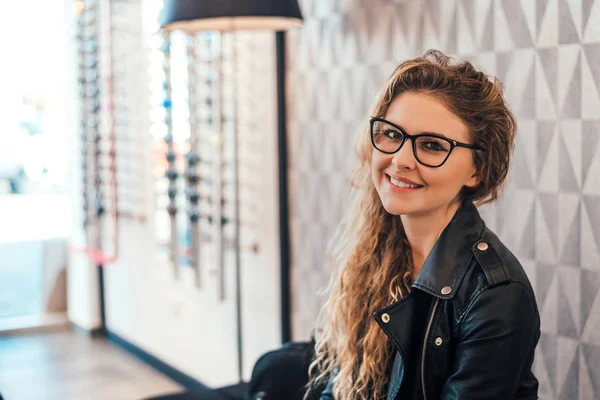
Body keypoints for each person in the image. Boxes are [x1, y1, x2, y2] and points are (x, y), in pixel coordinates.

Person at [305, 50, 541, 400]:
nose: (400, 160)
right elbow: (340, 388)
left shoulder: (497, 294)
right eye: (391, 134)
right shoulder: (375, 252)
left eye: (431, 145)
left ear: (477, 170)